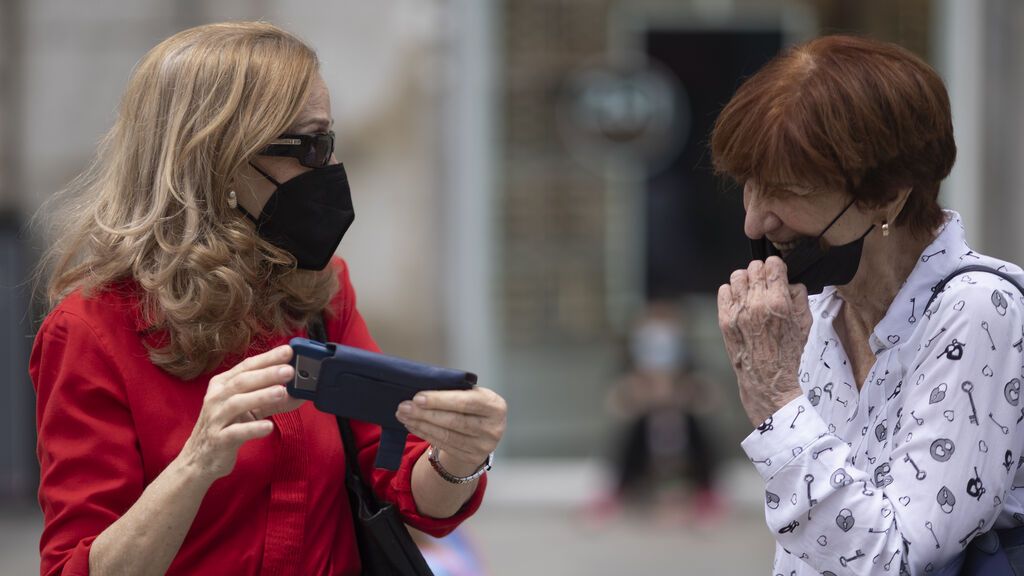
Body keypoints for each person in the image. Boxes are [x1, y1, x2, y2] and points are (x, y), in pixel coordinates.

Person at [30, 22, 507, 576]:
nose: (328, 169)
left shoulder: (319, 290)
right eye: (310, 146)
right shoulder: (91, 330)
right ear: (217, 160)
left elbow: (403, 486)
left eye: (329, 141)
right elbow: (75, 568)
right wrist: (198, 462)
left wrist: (460, 457)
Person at [713, 35, 1024, 574]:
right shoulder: (822, 314)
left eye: (787, 190)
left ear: (887, 196)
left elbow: (891, 560)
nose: (755, 222)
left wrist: (776, 399)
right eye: (749, 186)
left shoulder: (979, 311)